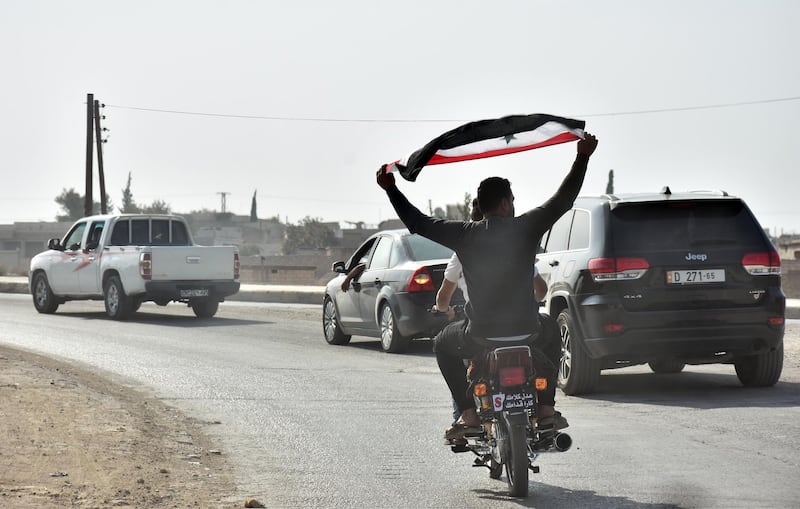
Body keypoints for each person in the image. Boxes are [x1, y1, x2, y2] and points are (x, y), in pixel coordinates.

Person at [376, 132, 598, 439]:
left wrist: (391, 190)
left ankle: (468, 414)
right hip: (528, 329)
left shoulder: (465, 235)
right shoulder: (527, 227)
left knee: (442, 343)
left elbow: (418, 222)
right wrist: (582, 156)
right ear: (507, 203)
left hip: (480, 336)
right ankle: (546, 407)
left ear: (480, 205)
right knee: (553, 333)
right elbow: (564, 198)